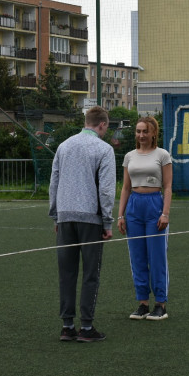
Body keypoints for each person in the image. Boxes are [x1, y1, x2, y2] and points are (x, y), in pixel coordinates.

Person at [49, 105, 116, 342]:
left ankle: (67, 326)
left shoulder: (64, 146)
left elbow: (53, 182)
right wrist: (107, 222)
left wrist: (56, 215)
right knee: (90, 273)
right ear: (102, 124)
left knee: (66, 273)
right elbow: (107, 190)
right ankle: (86, 328)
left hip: (65, 217)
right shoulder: (104, 149)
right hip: (91, 219)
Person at [117, 116, 172, 321]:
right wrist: (120, 215)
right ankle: (142, 303)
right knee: (137, 257)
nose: (141, 135)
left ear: (153, 133)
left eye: (145, 131)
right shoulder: (129, 156)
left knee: (156, 257)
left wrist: (165, 213)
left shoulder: (162, 155)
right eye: (138, 131)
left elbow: (167, 187)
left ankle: (160, 304)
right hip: (134, 207)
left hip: (154, 206)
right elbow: (125, 188)